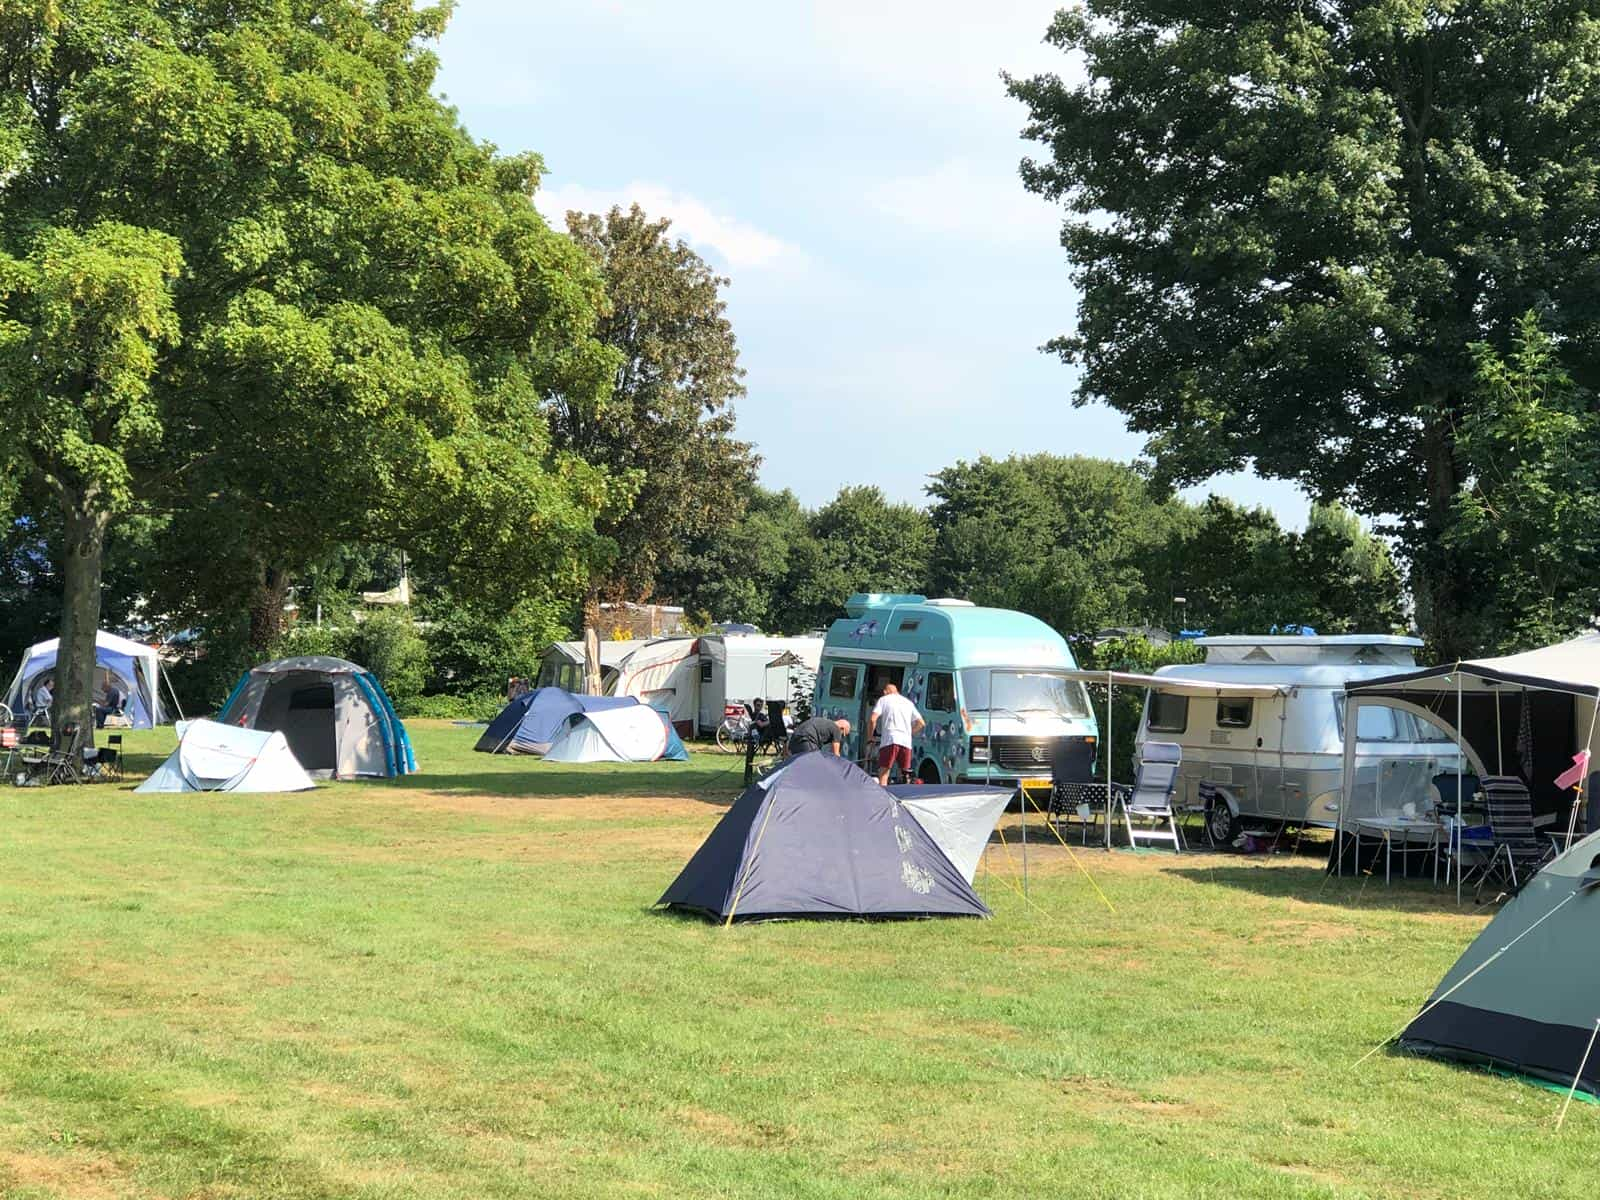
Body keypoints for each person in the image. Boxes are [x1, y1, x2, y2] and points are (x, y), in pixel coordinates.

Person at [868, 682, 925, 785]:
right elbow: (921, 723)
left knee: (884, 773)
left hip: (890, 740)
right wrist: (910, 733)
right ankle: (905, 797)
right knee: (905, 774)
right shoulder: (908, 702)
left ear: (885, 692)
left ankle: (883, 798)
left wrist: (870, 737)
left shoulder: (883, 700)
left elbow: (872, 720)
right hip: (906, 742)